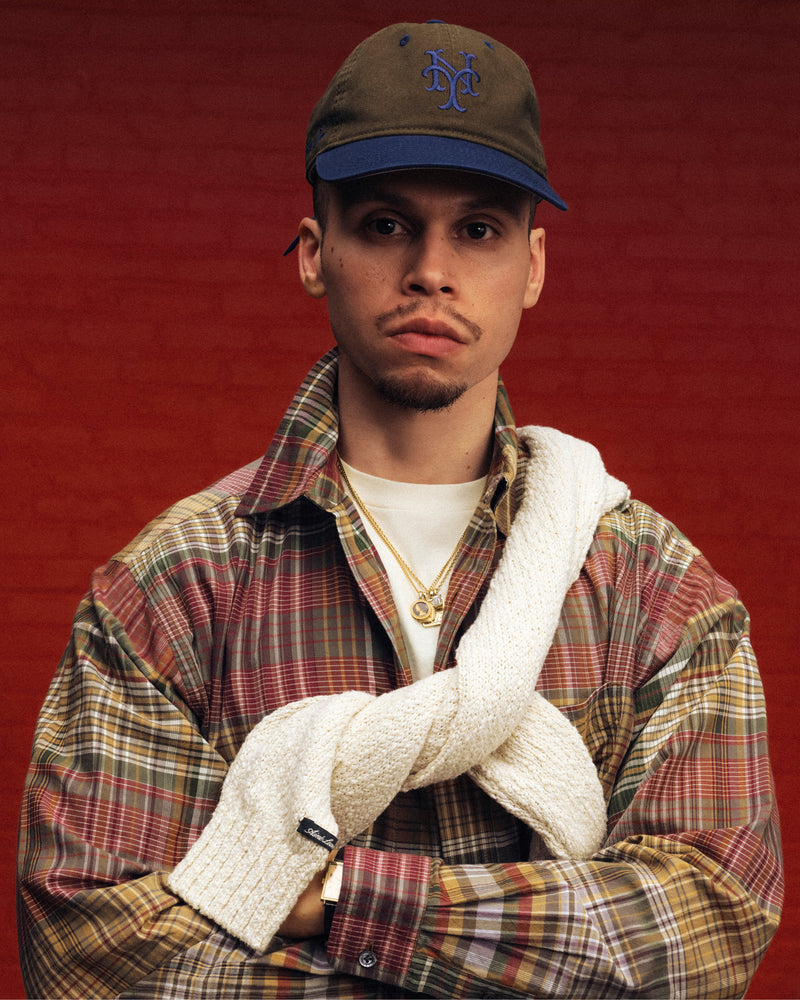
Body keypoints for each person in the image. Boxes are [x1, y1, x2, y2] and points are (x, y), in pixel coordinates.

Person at [17, 20, 782, 1000]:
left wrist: (326, 896)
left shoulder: (648, 583)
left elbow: (709, 918)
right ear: (312, 252)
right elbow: (91, 956)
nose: (431, 268)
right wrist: (526, 946)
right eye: (383, 224)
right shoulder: (174, 584)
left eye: (477, 229)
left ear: (532, 268)